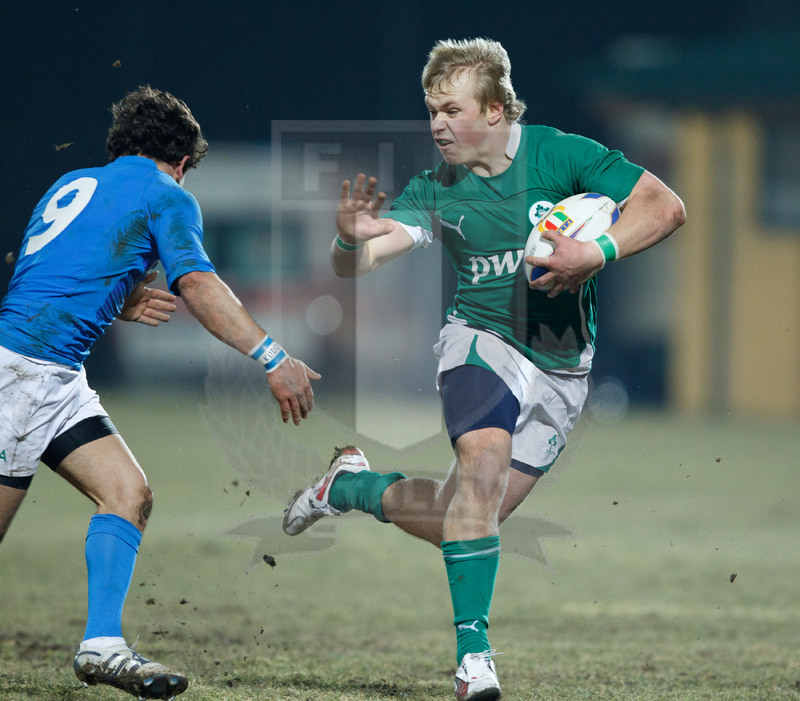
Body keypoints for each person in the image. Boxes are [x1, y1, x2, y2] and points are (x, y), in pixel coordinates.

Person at [283, 38, 685, 701]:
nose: (438, 124)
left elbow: (665, 206)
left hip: (562, 370)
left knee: (466, 518)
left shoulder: (562, 154)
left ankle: (349, 487)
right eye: (431, 110)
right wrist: (349, 239)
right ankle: (475, 660)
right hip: (480, 342)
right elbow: (361, 260)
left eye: (452, 109)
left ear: (496, 111)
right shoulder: (436, 186)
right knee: (482, 473)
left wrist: (597, 250)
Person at [0, 85, 320, 700]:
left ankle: (101, 645)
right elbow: (197, 285)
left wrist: (117, 299)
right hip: (24, 381)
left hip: (51, 376)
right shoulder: (166, 194)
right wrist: (273, 357)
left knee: (128, 493)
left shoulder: (74, 181)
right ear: (181, 162)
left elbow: (44, 275)